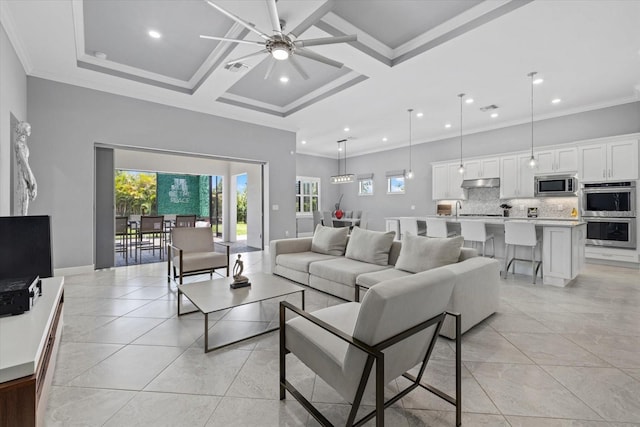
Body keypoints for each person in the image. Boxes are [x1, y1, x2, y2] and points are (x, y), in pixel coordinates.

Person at [14, 121, 37, 216]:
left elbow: (27, 165)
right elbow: (24, 164)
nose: (30, 130)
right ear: (23, 130)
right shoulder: (18, 144)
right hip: (22, 178)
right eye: (28, 128)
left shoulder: (23, 145)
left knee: (25, 207)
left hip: (26, 177)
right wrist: (32, 181)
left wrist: (34, 183)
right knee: (23, 209)